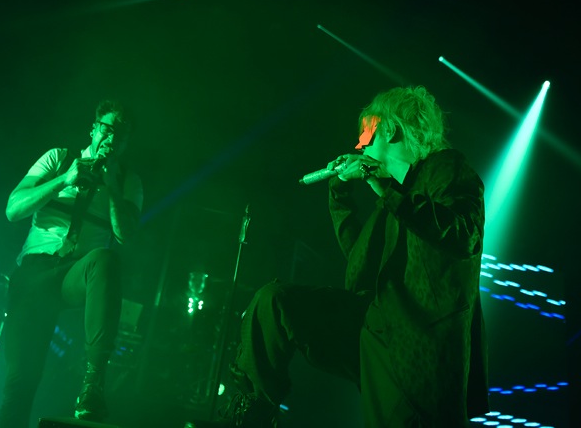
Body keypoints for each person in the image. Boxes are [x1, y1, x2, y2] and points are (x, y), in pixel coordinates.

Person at [184, 85, 488, 428]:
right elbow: (360, 261)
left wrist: (384, 188)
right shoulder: (394, 195)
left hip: (421, 346)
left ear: (390, 129)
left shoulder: (446, 168)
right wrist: (340, 193)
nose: (360, 146)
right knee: (274, 302)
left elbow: (465, 236)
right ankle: (252, 415)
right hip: (372, 327)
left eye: (367, 134)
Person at [0, 99, 143, 427]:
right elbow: (13, 209)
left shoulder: (128, 181)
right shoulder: (58, 158)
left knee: (105, 258)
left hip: (75, 274)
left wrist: (112, 187)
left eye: (122, 135)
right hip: (34, 273)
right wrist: (64, 179)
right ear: (93, 128)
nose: (112, 138)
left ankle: (93, 383)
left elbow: (126, 235)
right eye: (108, 128)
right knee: (20, 381)